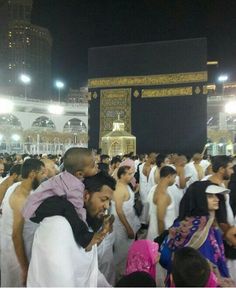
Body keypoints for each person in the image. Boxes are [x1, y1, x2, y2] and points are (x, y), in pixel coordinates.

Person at [27, 171, 116, 287]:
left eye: (109, 201)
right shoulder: (58, 226)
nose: (107, 206)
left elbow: (88, 267)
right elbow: (57, 280)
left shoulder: (84, 221)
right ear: (85, 196)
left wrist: (103, 232)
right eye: (103, 200)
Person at [160, 180, 233, 285]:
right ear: (198, 199)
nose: (216, 199)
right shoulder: (185, 227)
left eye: (216, 195)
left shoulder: (210, 224)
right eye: (209, 196)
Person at [1, 159, 45, 287]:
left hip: (13, 246)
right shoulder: (20, 198)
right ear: (32, 174)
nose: (44, 177)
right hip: (15, 253)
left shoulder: (17, 185)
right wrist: (24, 268)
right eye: (42, 173)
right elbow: (16, 235)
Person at [112, 165, 141, 280]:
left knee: (128, 251)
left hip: (129, 221)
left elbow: (127, 201)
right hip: (122, 225)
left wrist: (135, 190)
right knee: (122, 252)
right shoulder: (119, 188)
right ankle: (119, 276)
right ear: (122, 175)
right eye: (129, 174)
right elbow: (119, 211)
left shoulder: (125, 185)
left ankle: (124, 273)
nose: (132, 176)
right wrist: (128, 228)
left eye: (132, 173)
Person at [147, 166, 177, 240]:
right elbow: (160, 219)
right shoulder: (162, 195)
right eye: (174, 177)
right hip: (160, 233)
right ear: (169, 176)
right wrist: (162, 238)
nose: (175, 180)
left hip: (157, 230)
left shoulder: (155, 188)